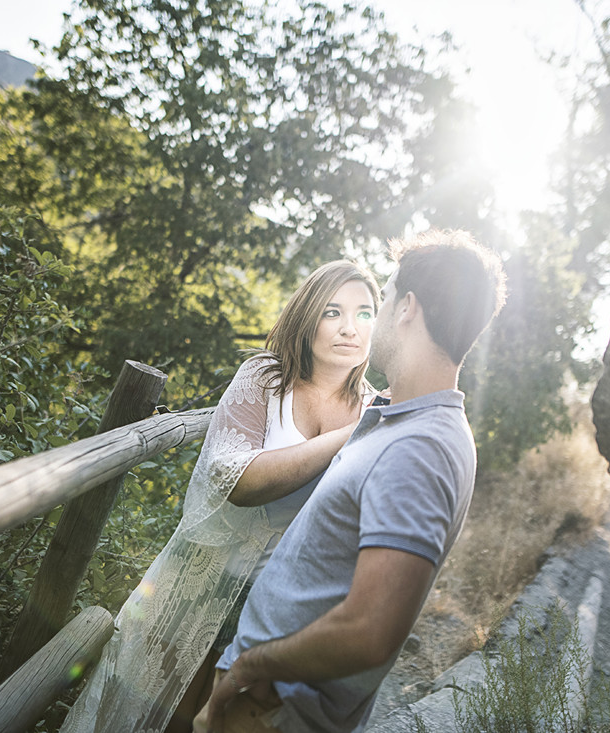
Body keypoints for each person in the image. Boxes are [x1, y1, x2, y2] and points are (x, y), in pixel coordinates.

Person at [195, 228, 506, 733]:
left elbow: (371, 630)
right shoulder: (398, 421)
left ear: (406, 308)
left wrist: (251, 666)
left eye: (377, 305)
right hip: (263, 697)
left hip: (276, 708)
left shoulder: (422, 447)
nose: (367, 322)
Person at [60, 260, 381, 733]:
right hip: (203, 586)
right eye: (333, 312)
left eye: (365, 313)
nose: (350, 328)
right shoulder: (266, 379)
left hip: (282, 614)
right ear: (307, 316)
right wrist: (348, 435)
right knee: (155, 715)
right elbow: (238, 480)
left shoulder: (376, 409)